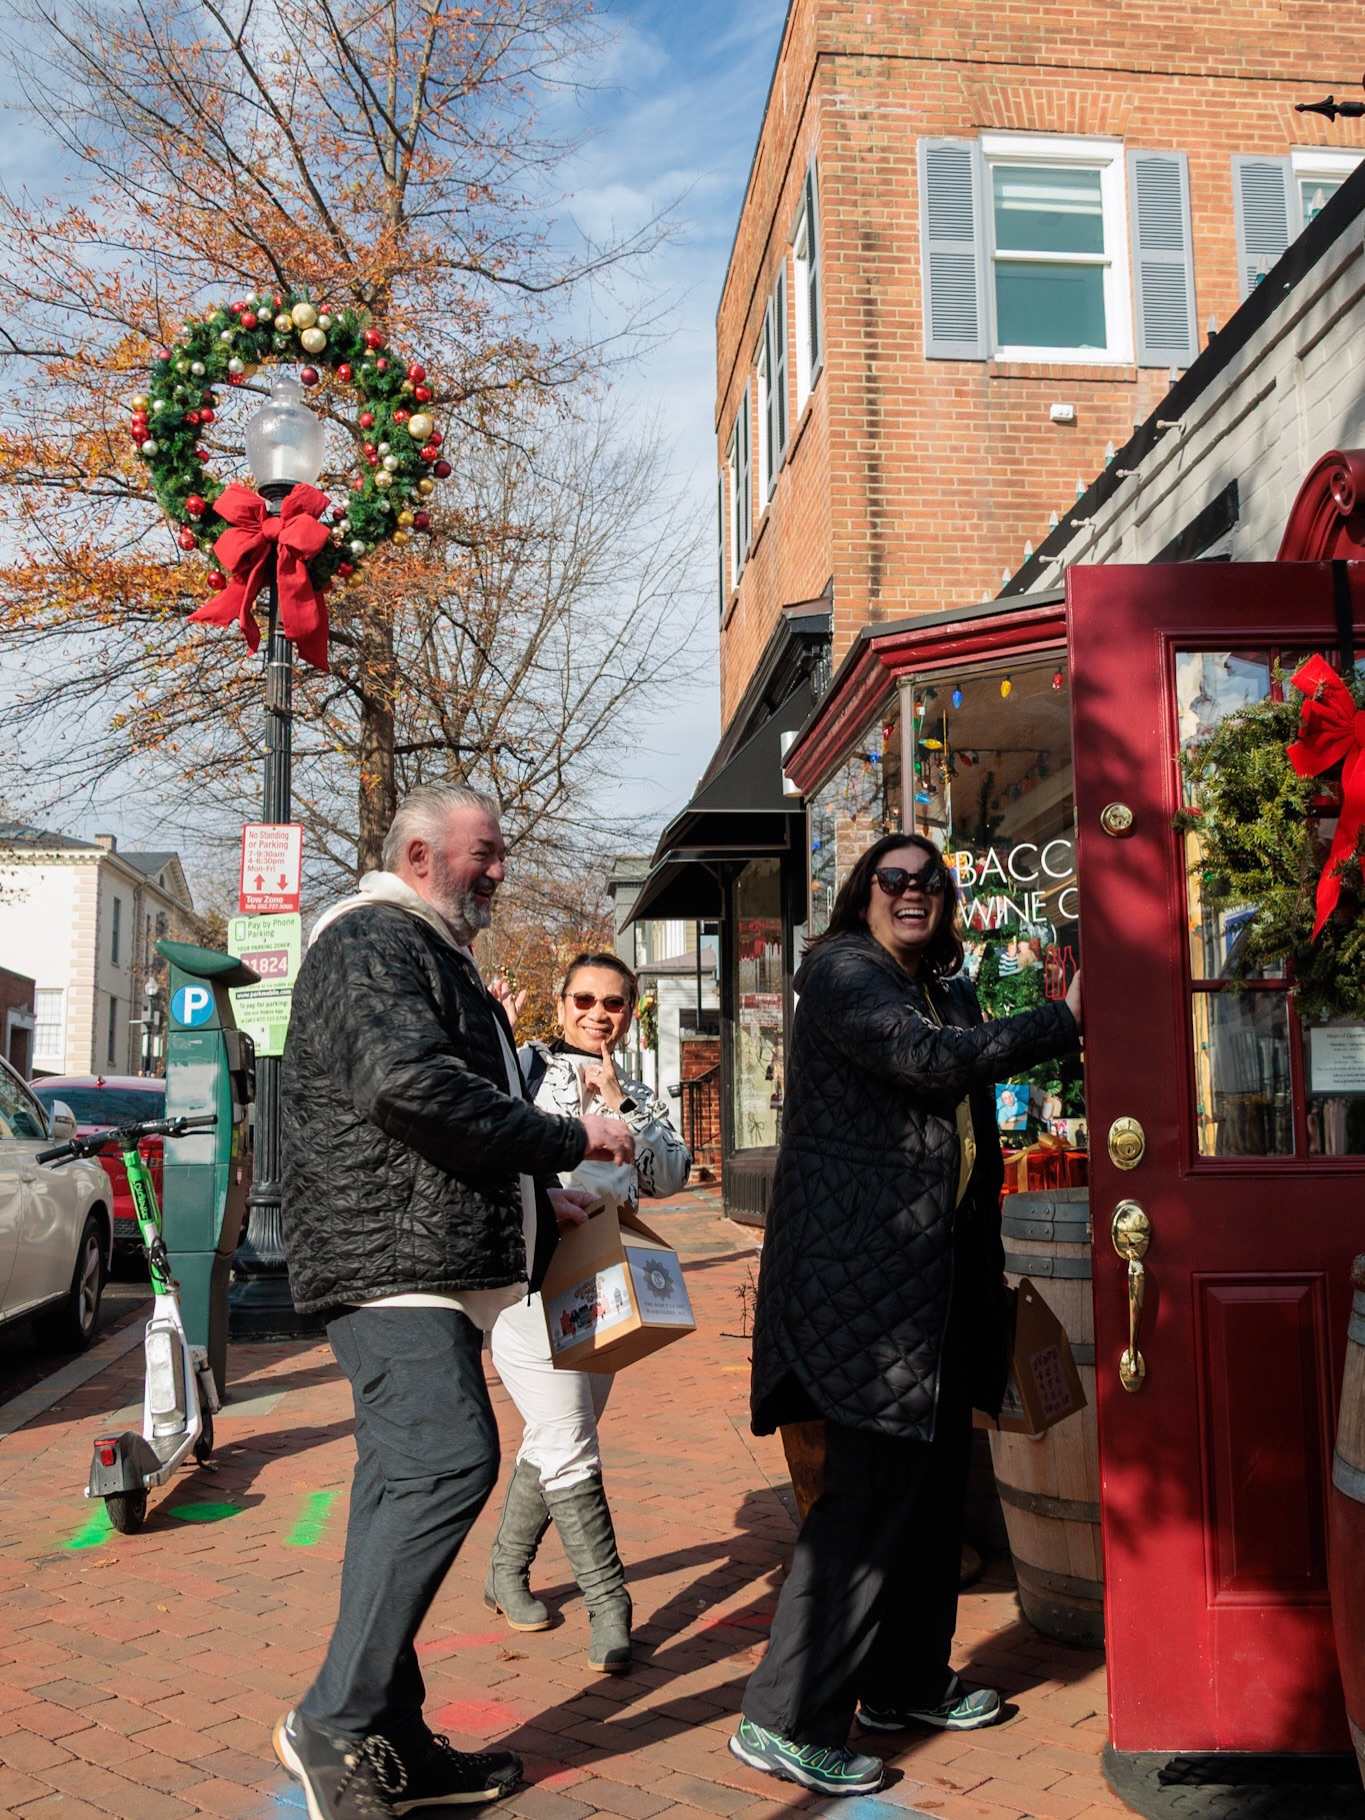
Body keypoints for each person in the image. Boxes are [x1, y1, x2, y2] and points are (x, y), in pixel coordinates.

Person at [273, 783, 635, 1820]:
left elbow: (435, 1106)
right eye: (487, 851)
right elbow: (407, 1084)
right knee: (446, 1458)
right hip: (389, 1260)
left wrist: (536, 1198)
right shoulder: (374, 937)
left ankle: (389, 1735)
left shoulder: (417, 943)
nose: (501, 868)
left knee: (404, 1478)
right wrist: (567, 1139)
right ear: (423, 852)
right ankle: (335, 1719)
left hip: (413, 1253)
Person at [729, 830, 1082, 1798]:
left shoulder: (945, 983)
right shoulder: (843, 974)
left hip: (938, 1278)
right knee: (866, 1493)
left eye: (929, 880)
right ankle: (784, 1715)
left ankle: (904, 1681)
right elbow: (929, 1066)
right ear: (863, 893)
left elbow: (960, 1091)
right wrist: (1061, 1017)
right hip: (862, 1285)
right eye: (894, 878)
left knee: (928, 1488)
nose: (914, 892)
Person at [484, 953, 691, 1673]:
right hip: (527, 1282)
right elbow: (480, 1138)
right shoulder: (520, 1067)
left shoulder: (633, 1085)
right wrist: (490, 1044)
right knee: (568, 1435)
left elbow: (670, 1176)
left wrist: (621, 1103)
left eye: (614, 1004)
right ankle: (611, 1604)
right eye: (584, 999)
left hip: (605, 1287)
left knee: (557, 1434)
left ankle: (504, 1572)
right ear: (559, 999)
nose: (598, 1014)